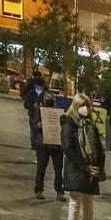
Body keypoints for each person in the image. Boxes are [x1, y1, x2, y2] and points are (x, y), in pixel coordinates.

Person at [61, 94, 104, 220]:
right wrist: (84, 167)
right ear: (75, 106)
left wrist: (98, 166)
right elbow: (68, 148)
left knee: (89, 204)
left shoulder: (90, 125)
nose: (85, 108)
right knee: (75, 202)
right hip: (77, 169)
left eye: (87, 105)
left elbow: (98, 147)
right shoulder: (68, 124)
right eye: (82, 105)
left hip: (91, 169)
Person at [24, 70, 65, 200]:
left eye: (50, 100)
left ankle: (59, 192)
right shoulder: (39, 111)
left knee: (59, 170)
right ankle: (39, 189)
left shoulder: (58, 113)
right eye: (47, 100)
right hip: (43, 143)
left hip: (56, 144)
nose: (49, 102)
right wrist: (38, 126)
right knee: (41, 168)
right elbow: (34, 125)